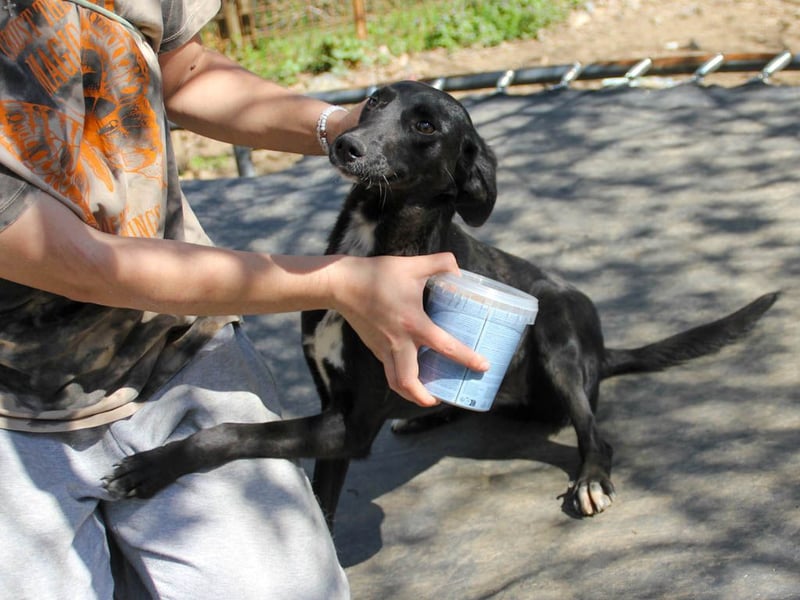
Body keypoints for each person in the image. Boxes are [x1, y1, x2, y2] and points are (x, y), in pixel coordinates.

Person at [0, 1, 488, 598]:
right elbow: (77, 260)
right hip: (16, 406)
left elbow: (189, 71)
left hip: (180, 349)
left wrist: (343, 128)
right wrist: (336, 282)